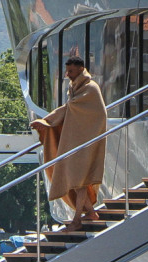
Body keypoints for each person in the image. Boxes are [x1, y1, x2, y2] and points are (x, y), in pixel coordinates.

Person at [30, 56, 107, 232]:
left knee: (79, 180)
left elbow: (72, 108)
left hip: (88, 141)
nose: (68, 75)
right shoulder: (77, 88)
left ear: (80, 69)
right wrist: (47, 123)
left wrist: (47, 121)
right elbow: (71, 109)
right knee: (77, 179)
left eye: (71, 71)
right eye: (67, 71)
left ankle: (77, 220)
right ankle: (91, 213)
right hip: (78, 140)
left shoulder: (90, 89)